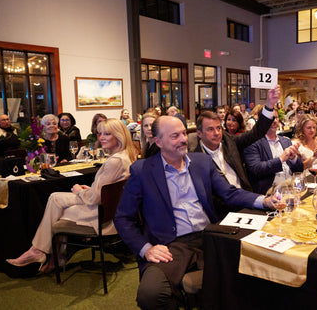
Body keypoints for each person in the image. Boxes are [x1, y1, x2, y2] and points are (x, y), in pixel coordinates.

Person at [113, 115, 276, 309]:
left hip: (211, 236)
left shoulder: (201, 162)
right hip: (171, 245)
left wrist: (264, 201)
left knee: (260, 267)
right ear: (158, 142)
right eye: (175, 136)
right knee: (151, 295)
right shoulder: (142, 170)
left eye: (183, 133)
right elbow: (123, 218)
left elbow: (229, 193)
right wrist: (146, 248)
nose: (183, 139)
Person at [6, 119, 137, 273]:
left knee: (57, 212)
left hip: (101, 214)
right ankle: (48, 255)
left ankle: (43, 253)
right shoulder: (125, 156)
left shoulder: (115, 161)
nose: (101, 137)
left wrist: (79, 191)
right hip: (108, 209)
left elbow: (95, 198)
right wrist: (89, 189)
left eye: (107, 134)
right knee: (55, 198)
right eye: (100, 133)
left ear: (119, 136)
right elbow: (106, 191)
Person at [191, 86, 280, 193]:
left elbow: (256, 133)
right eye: (210, 129)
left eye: (218, 128)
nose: (217, 133)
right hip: (224, 206)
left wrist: (270, 105)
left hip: (246, 196)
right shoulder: (196, 157)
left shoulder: (228, 141)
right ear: (199, 133)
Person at [244, 110, 304, 195]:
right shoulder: (253, 143)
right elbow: (256, 169)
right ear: (262, 121)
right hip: (271, 193)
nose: (275, 121)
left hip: (292, 188)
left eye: (276, 117)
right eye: (271, 118)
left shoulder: (286, 141)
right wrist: (280, 159)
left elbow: (299, 170)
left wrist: (294, 158)